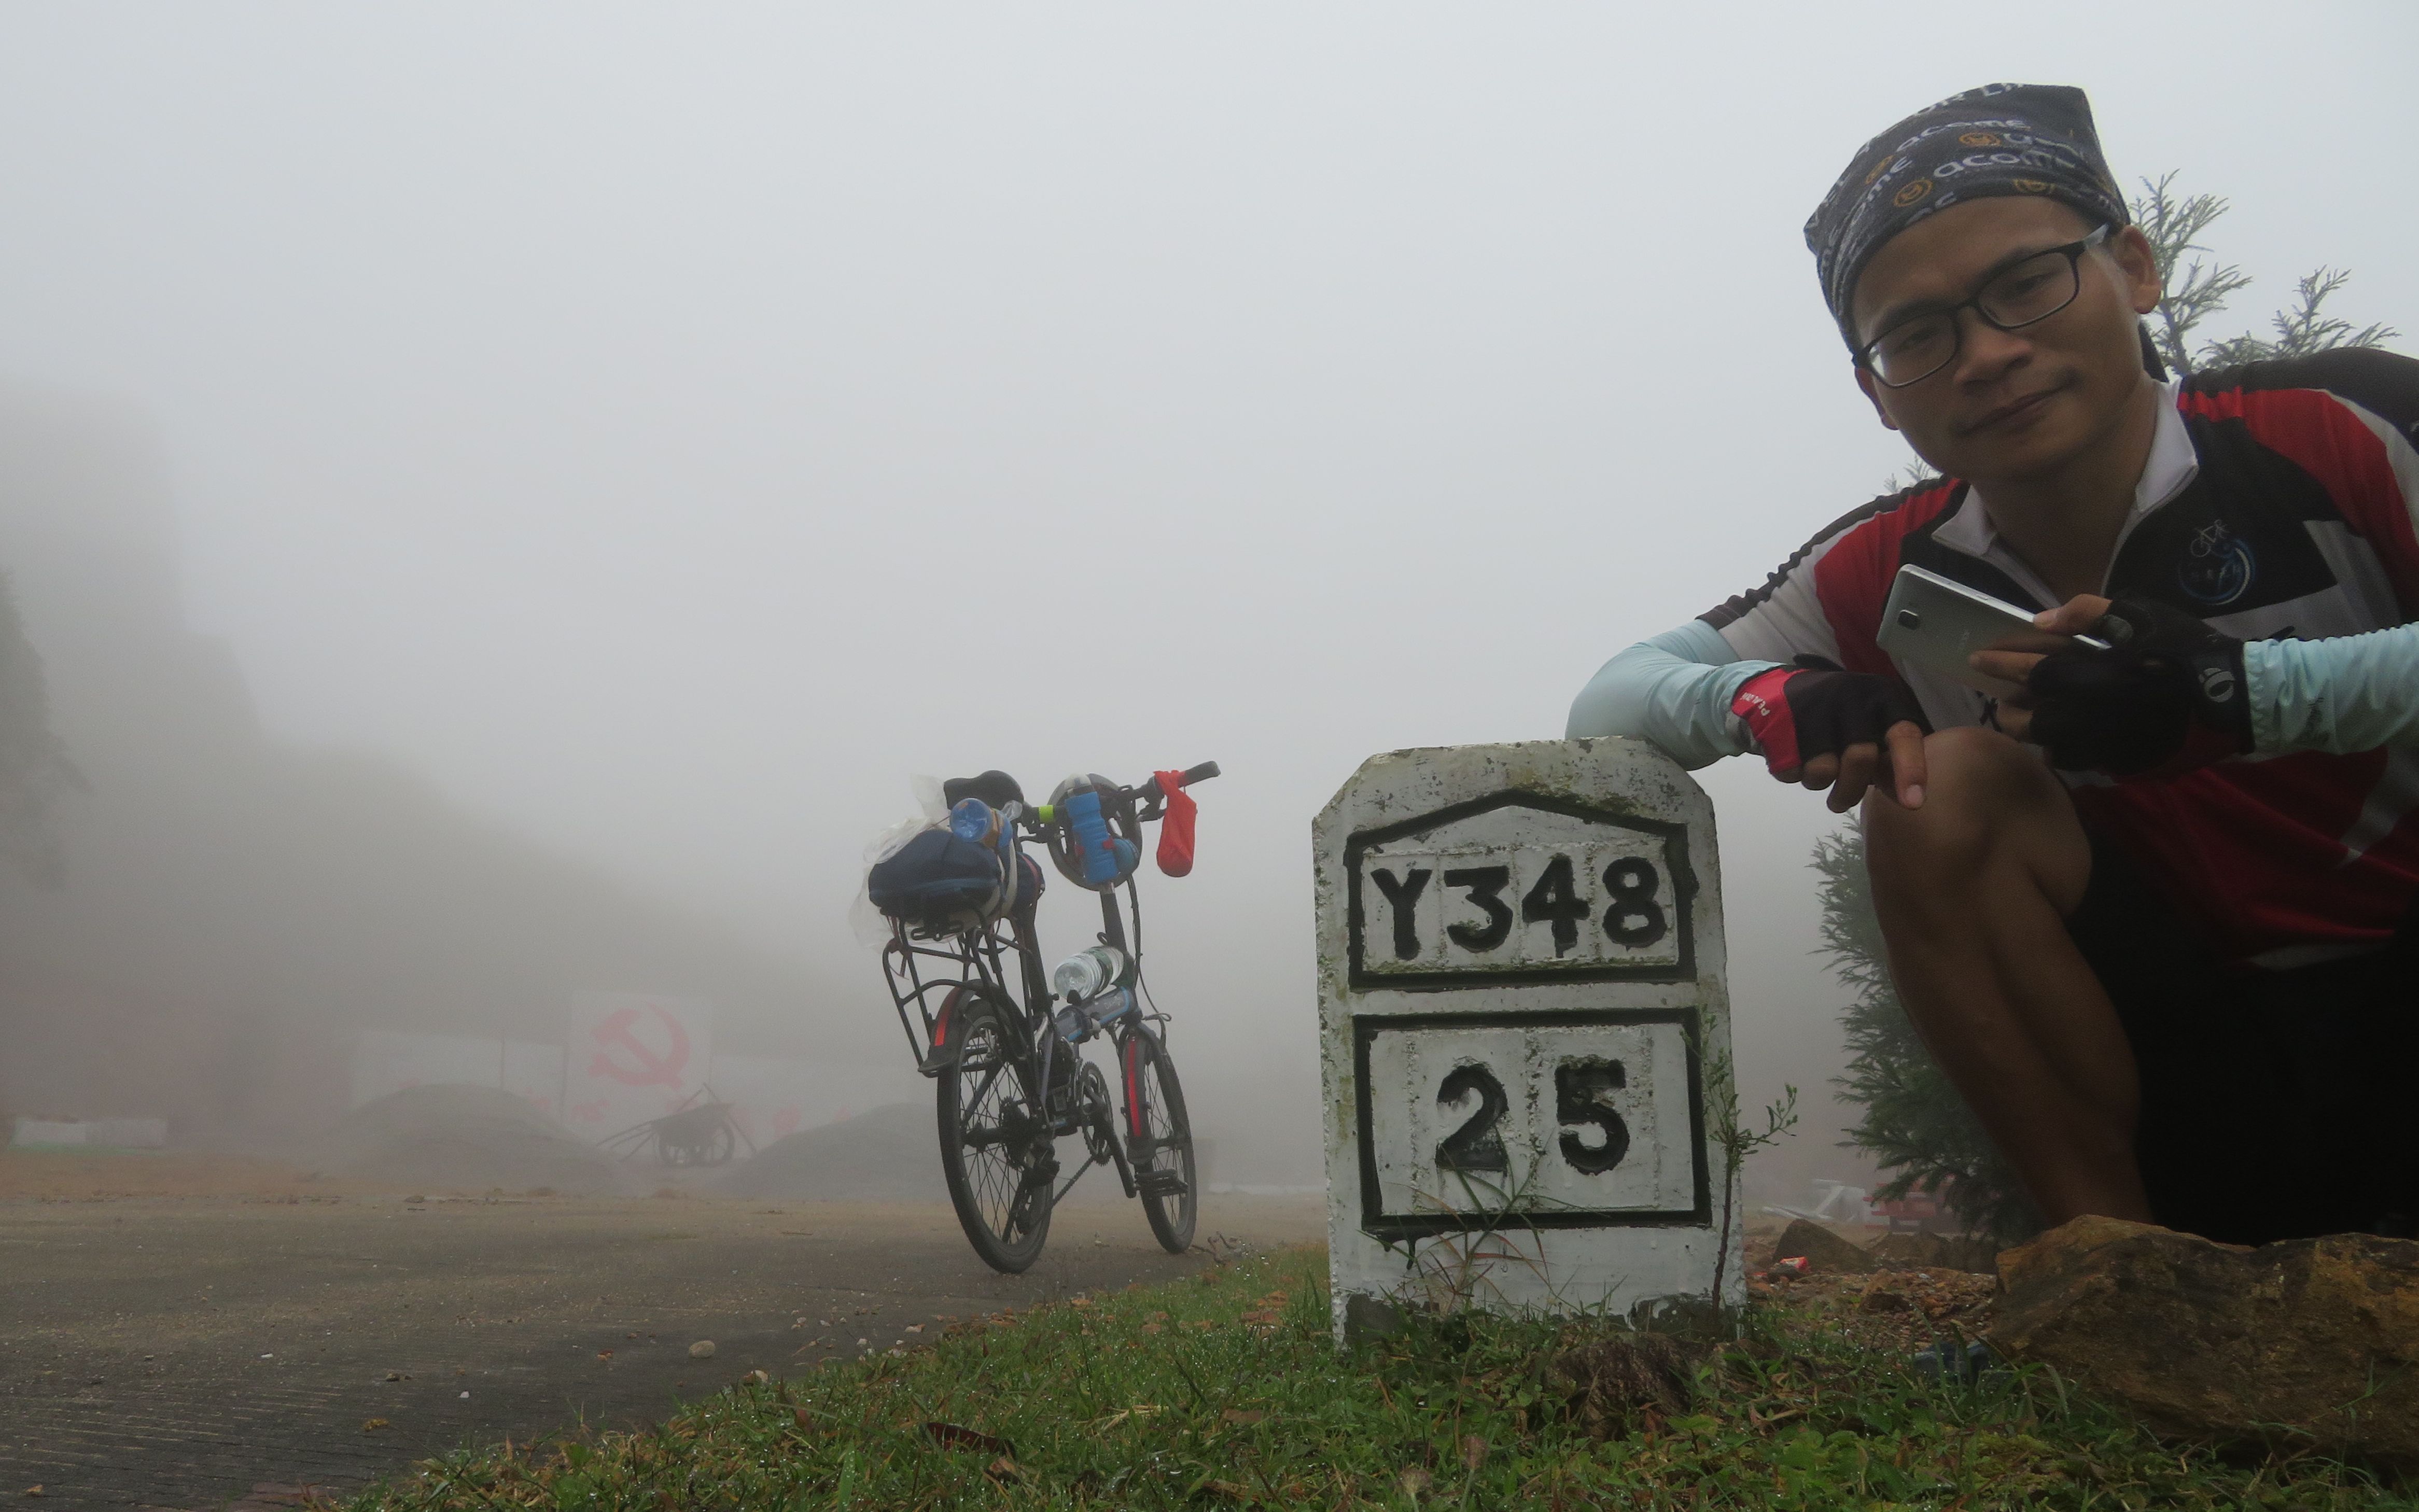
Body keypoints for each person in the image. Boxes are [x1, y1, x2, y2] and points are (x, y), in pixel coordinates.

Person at [1568, 82, 2419, 1247]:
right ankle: (2118, 1283)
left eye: (2024, 284)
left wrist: (2227, 697)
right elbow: (1606, 703)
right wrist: (1771, 698)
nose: (1986, 354)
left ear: (2132, 267)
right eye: (1917, 335)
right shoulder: (1880, 567)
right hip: (2194, 1061)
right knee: (1942, 793)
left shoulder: (2346, 426)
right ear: (1874, 392)